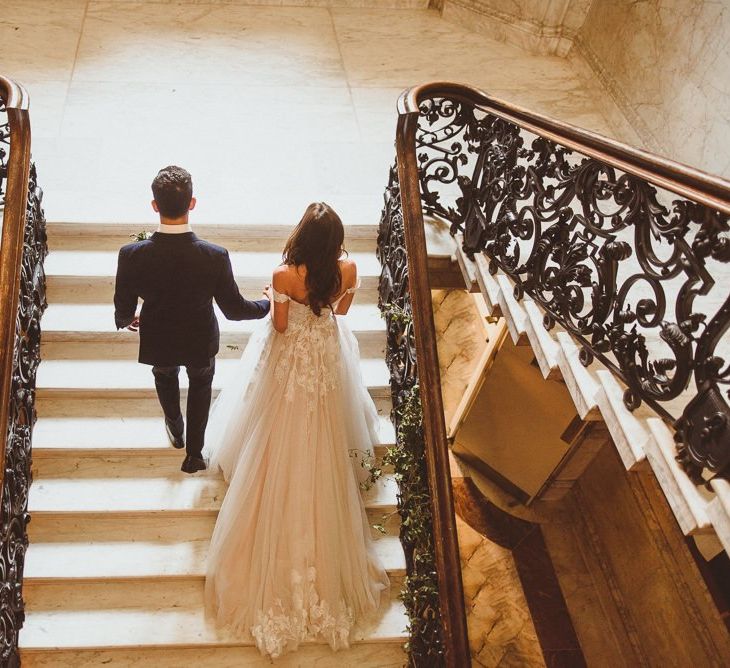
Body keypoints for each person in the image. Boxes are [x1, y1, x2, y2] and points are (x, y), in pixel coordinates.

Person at [204, 202, 389, 659]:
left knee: (273, 421)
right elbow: (341, 312)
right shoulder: (347, 268)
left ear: (302, 237)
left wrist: (275, 295)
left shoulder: (285, 274)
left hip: (292, 359)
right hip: (326, 354)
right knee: (327, 421)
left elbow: (281, 328)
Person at [113, 165, 270, 474]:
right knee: (201, 384)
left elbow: (124, 304)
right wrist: (268, 305)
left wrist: (126, 318)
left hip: (159, 337)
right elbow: (234, 309)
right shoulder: (214, 255)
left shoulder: (131, 254)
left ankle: (175, 427)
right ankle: (194, 454)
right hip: (199, 339)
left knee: (164, 376)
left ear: (155, 206)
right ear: (192, 203)